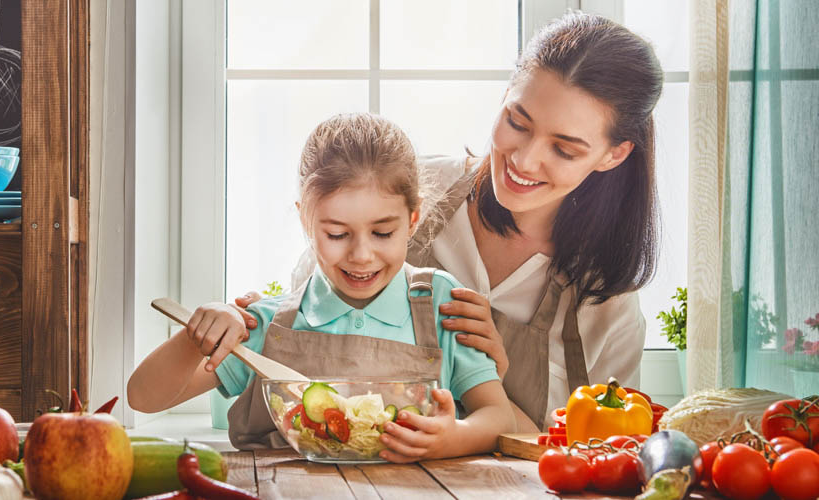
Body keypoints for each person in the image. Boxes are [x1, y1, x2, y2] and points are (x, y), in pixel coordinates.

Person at [235, 12, 663, 433]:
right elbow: (306, 340)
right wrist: (257, 322)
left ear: (614, 155)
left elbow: (602, 457)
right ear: (505, 96)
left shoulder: (607, 301)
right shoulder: (407, 192)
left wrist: (492, 384)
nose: (524, 159)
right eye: (517, 122)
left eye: (564, 149)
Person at [128, 113, 515, 462]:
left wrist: (454, 438)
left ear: (413, 219)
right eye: (336, 233)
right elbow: (144, 398)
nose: (362, 255)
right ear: (306, 222)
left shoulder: (439, 304)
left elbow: (498, 416)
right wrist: (196, 336)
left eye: (383, 232)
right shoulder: (267, 323)